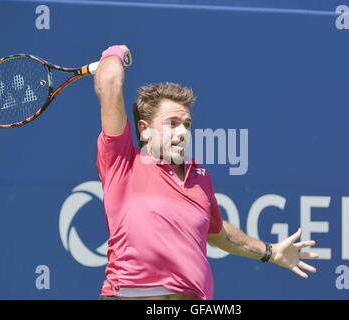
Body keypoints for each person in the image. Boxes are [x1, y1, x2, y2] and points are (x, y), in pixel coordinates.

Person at [94, 45, 319, 300]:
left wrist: (270, 251)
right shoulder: (122, 162)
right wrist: (116, 52)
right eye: (172, 124)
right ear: (144, 129)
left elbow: (218, 233)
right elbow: (110, 81)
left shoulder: (200, 176)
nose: (182, 132)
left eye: (187, 124)